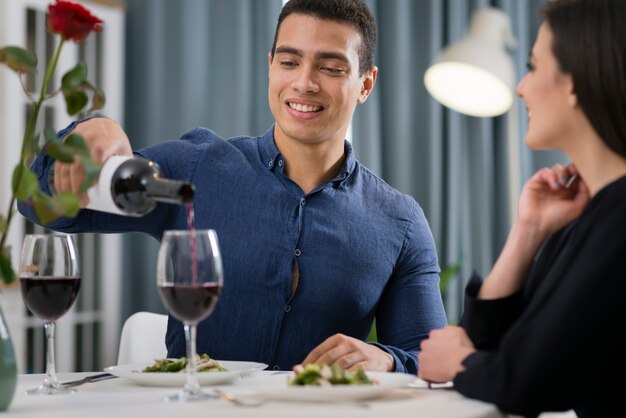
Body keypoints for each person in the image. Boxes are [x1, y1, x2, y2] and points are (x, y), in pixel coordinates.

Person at [19, 0, 447, 373]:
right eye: (289, 61)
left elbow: (430, 360)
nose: (304, 82)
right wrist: (93, 128)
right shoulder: (195, 167)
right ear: (270, 65)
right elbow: (40, 205)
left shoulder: (400, 222)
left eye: (331, 68)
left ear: (366, 84)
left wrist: (387, 359)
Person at [417, 0, 626, 416]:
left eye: (532, 67)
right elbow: (487, 344)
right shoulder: (584, 220)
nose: (520, 87)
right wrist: (528, 230)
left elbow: (530, 380)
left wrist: (460, 363)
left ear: (575, 82)